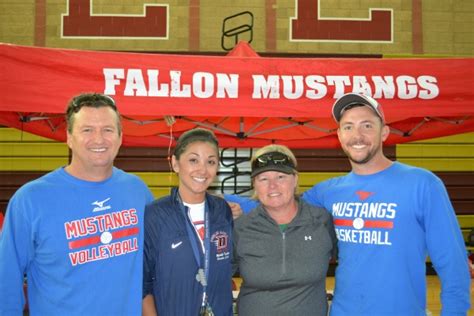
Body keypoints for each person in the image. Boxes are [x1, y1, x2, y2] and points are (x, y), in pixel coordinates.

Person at [228, 93, 471, 315]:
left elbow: (453, 264)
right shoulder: (329, 192)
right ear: (340, 136)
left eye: (367, 125)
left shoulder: (423, 184)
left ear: (384, 132)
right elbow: (280, 203)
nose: (357, 136)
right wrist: (215, 203)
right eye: (348, 127)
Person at [0, 93, 154, 315]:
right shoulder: (30, 201)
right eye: (87, 130)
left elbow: (157, 264)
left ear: (120, 137)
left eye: (108, 130)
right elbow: (6, 282)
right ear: (69, 137)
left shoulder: (137, 192)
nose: (99, 139)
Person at [233, 144, 338, 316]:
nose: (272, 186)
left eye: (280, 177)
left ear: (295, 179)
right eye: (263, 179)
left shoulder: (321, 221)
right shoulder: (241, 226)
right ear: (254, 184)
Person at [142, 128, 234, 316]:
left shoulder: (222, 210)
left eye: (211, 162)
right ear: (175, 163)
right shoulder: (155, 215)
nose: (202, 169)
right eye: (193, 160)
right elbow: (143, 284)